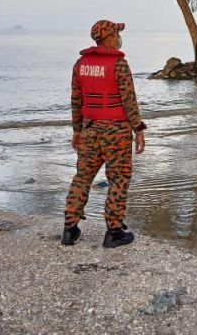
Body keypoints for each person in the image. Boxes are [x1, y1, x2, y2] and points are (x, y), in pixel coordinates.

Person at [62, 20, 146, 248]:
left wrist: (77, 131)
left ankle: (70, 229)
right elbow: (129, 101)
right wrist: (138, 129)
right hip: (116, 131)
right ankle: (114, 232)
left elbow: (76, 100)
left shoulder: (81, 64)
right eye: (117, 33)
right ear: (110, 38)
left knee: (82, 177)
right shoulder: (119, 65)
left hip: (89, 129)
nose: (120, 37)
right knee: (118, 179)